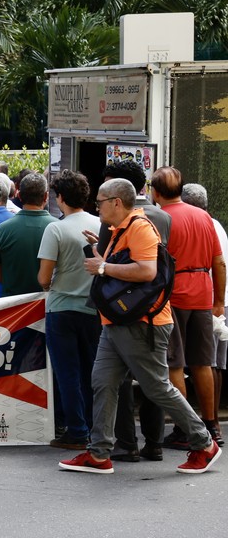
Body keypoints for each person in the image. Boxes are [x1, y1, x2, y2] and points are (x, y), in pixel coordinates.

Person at [59, 178, 221, 474]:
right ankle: (98, 454)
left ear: (116, 202)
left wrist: (103, 267)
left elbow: (147, 271)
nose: (97, 208)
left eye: (100, 203)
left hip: (141, 323)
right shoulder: (122, 229)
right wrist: (102, 256)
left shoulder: (140, 227)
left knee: (157, 387)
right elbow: (129, 266)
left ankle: (204, 443)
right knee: (103, 382)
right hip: (120, 322)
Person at [96, 159, 170, 463]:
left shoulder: (119, 221)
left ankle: (126, 443)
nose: (99, 206)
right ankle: (155, 442)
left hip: (123, 309)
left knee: (124, 382)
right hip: (155, 306)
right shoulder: (162, 217)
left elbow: (112, 266)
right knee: (152, 380)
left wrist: (99, 261)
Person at [150, 166, 226, 449]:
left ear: (155, 193)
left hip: (174, 295)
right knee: (203, 363)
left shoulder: (160, 218)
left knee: (174, 364)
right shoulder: (204, 217)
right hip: (202, 293)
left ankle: (185, 428)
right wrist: (218, 300)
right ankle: (212, 425)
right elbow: (219, 262)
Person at [37, 170, 102, 450]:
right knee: (92, 372)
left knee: (67, 373)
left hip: (62, 308)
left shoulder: (56, 229)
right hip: (94, 309)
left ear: (60, 197)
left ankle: (76, 430)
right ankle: (92, 425)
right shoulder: (102, 225)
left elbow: (43, 278)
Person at [182, 183, 228, 446]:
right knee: (214, 364)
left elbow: (215, 265)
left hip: (206, 301)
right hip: (218, 301)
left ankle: (203, 425)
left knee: (199, 364)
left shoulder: (199, 225)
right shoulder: (217, 225)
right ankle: (213, 424)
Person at [0, 173, 57, 296]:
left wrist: (11, 283)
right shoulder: (58, 227)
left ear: (19, 195)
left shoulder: (2, 229)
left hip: (13, 305)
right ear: (46, 196)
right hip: (49, 303)